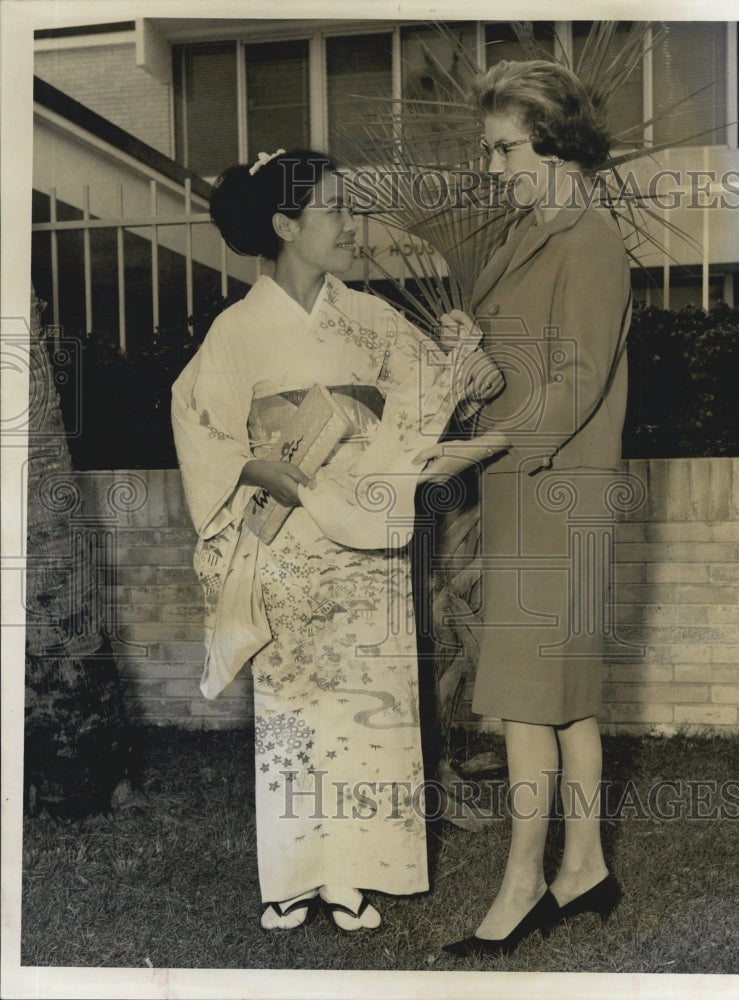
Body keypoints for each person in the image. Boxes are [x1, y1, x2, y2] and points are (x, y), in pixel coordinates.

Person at [171, 149, 505, 934]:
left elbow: (437, 400)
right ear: (286, 225)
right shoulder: (237, 330)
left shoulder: (371, 317)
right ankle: (291, 875)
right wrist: (256, 464)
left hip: (371, 530)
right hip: (288, 532)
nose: (350, 225)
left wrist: (460, 351)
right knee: (294, 706)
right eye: (332, 209)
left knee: (371, 705)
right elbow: (199, 420)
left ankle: (355, 872)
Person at [441, 60, 632, 957]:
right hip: (531, 484)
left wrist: (486, 438)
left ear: (556, 142)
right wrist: (473, 358)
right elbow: (526, 365)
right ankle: (584, 865)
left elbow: (579, 380)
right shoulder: (531, 228)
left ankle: (522, 883)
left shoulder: (588, 239)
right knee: (563, 701)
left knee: (526, 699)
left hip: (557, 490)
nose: (495, 165)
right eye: (491, 148)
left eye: (507, 147)